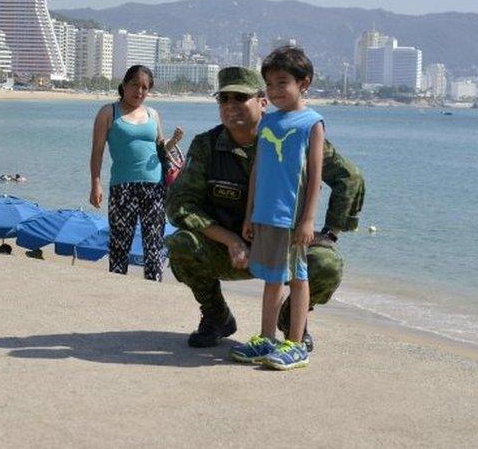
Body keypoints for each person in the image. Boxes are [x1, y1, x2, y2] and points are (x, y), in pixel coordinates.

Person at [165, 66, 364, 354]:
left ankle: (293, 322)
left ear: (262, 102)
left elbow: (349, 177)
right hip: (230, 252)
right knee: (181, 245)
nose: (231, 106)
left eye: (240, 98)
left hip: (283, 243)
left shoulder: (296, 135)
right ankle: (216, 316)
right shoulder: (207, 145)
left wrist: (329, 233)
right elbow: (180, 204)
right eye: (224, 99)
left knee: (327, 263)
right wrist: (230, 240)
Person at [228, 47, 323, 370]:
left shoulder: (312, 123)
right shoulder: (268, 121)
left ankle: (295, 344)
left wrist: (308, 219)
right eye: (269, 84)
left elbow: (315, 176)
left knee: (297, 278)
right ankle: (267, 337)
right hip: (265, 214)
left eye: (283, 82)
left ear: (304, 83)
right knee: (272, 278)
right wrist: (250, 213)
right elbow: (257, 169)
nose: (275, 90)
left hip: (293, 216)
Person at [90, 65, 182, 281]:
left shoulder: (153, 114)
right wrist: (96, 183)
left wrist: (173, 142)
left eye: (144, 87)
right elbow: (97, 152)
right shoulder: (108, 112)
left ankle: (152, 292)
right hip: (123, 187)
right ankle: (117, 291)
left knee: (154, 245)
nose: (139, 91)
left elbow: (160, 149)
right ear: (124, 85)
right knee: (120, 244)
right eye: (135, 85)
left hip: (154, 186)